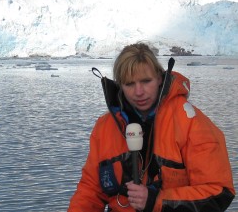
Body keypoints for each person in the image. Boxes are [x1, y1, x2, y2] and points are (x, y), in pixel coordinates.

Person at [68, 43, 235, 212]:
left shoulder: (191, 123)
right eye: (129, 84)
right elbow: (90, 191)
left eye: (146, 81)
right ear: (120, 85)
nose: (139, 92)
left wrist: (156, 201)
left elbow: (219, 192)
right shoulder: (104, 127)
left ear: (159, 78)